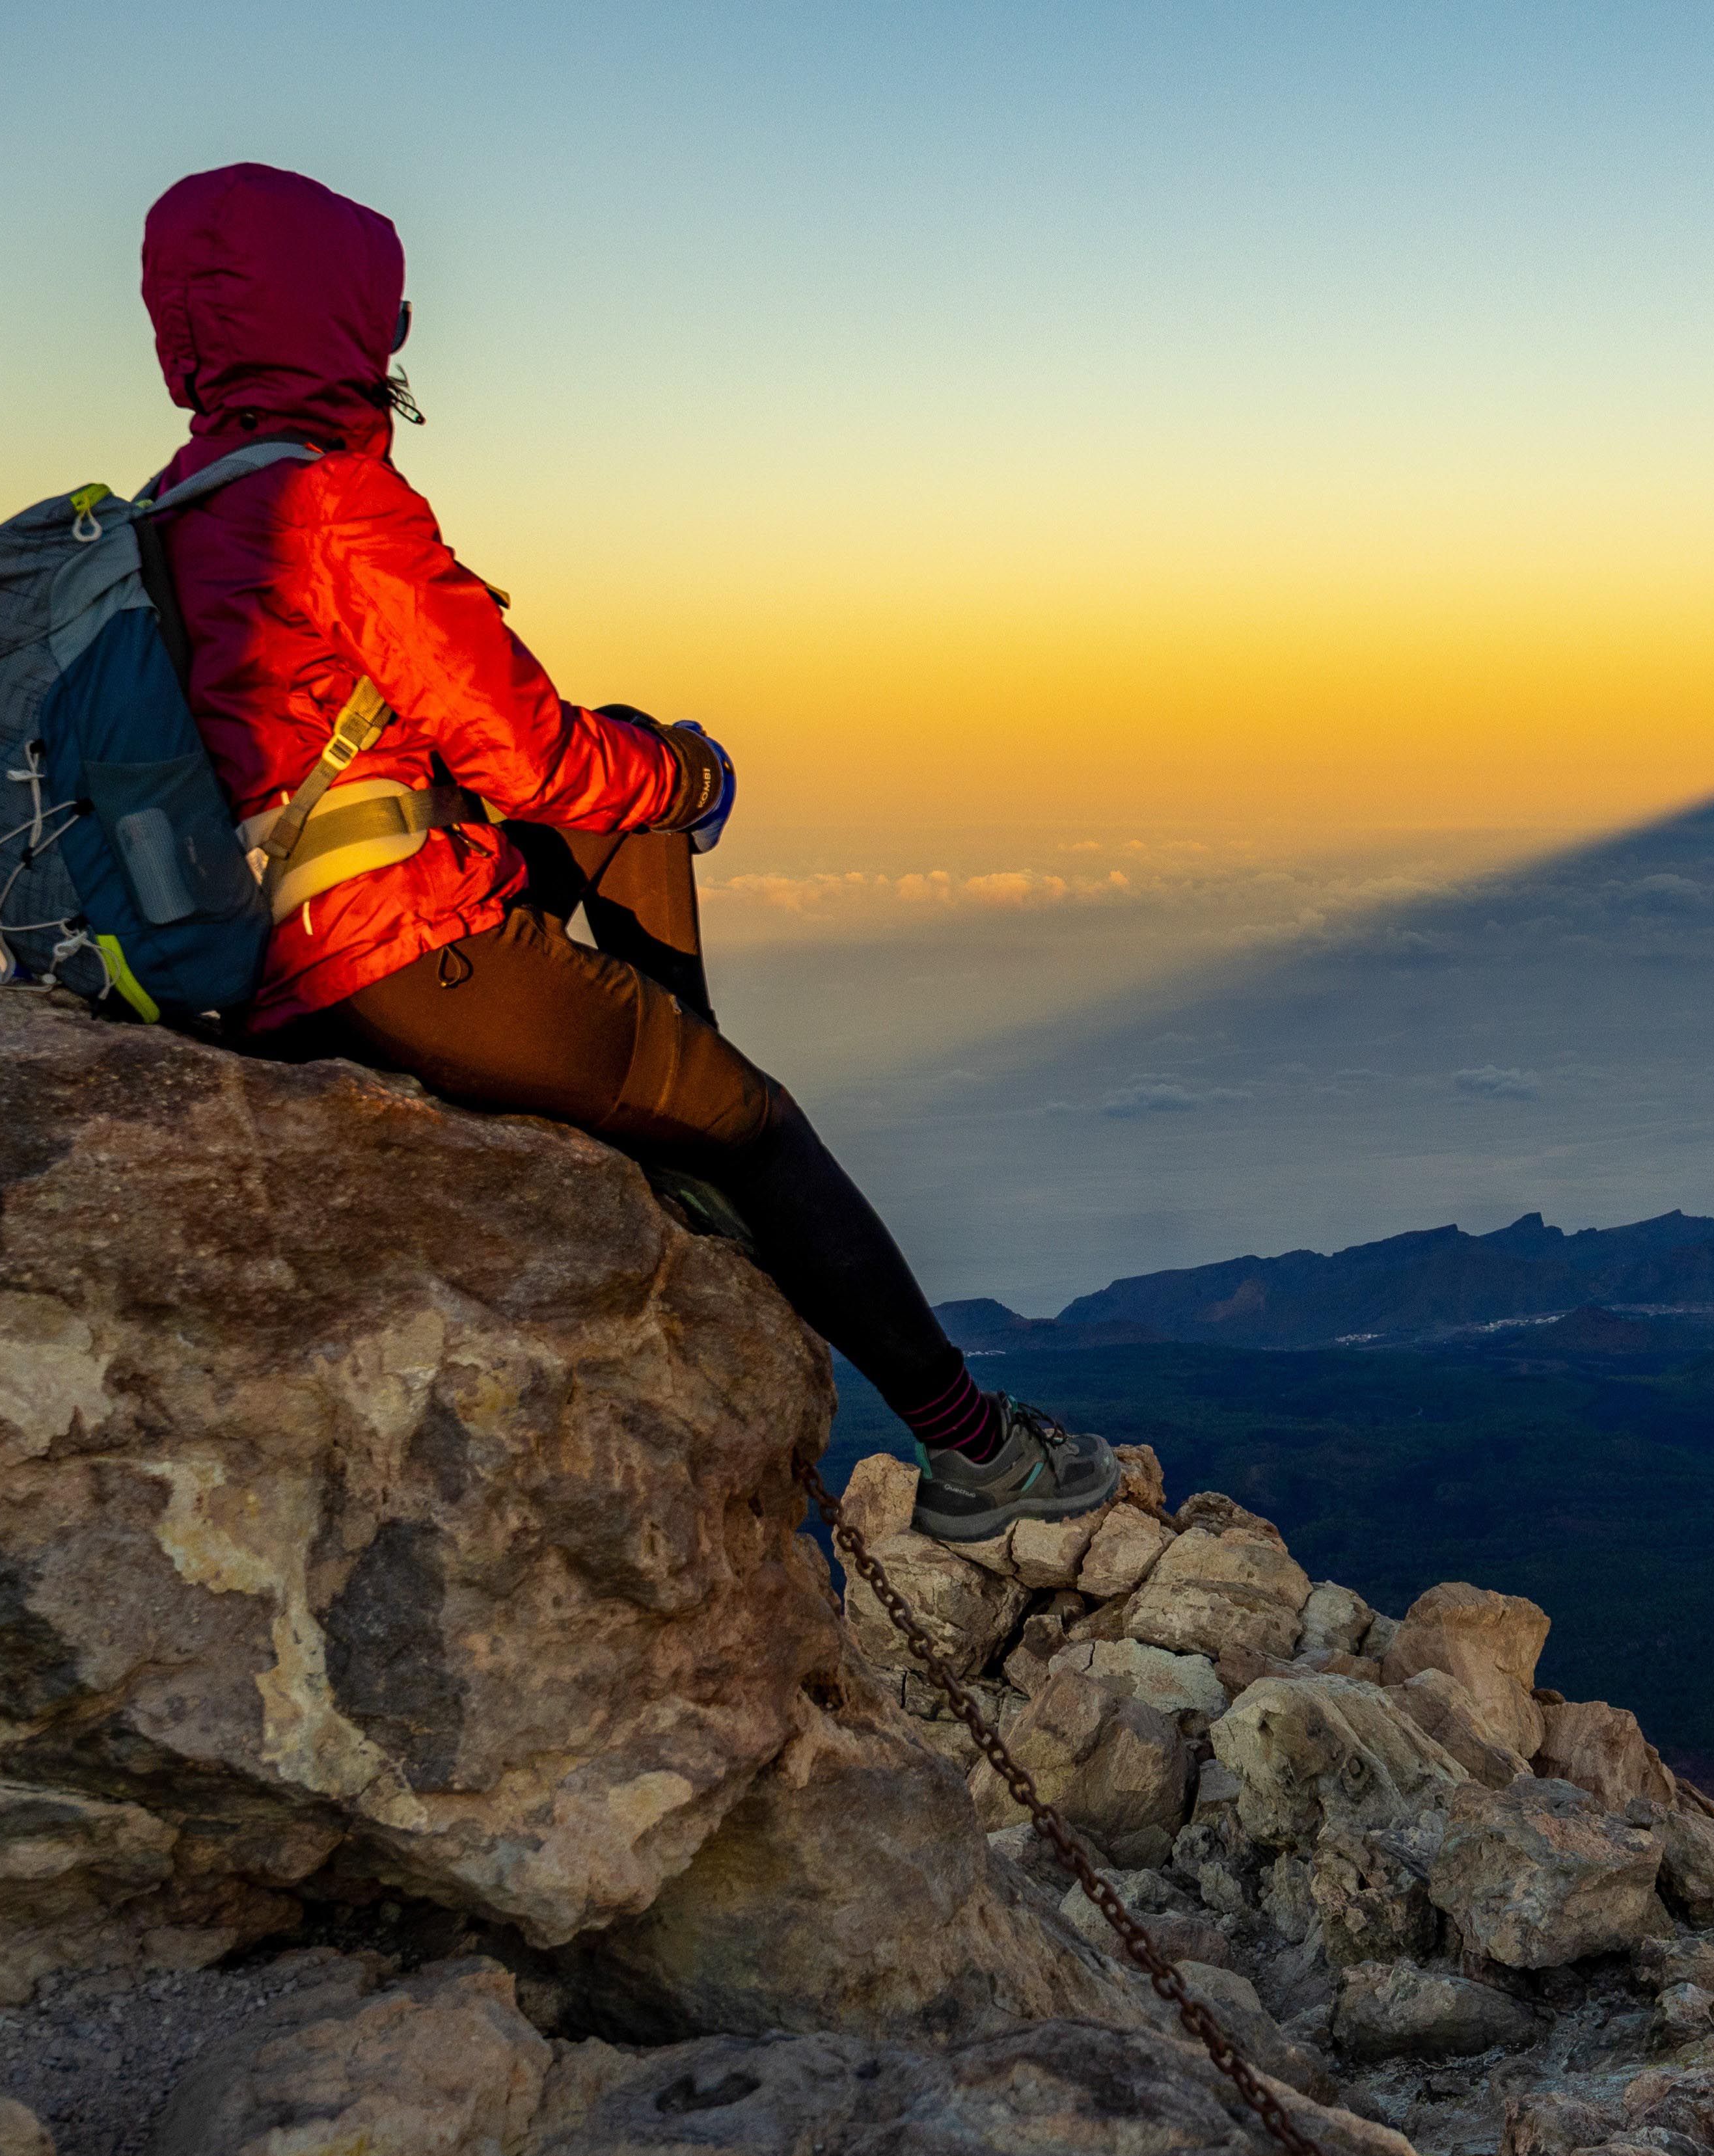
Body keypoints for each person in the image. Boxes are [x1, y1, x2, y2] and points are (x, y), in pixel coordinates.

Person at [135, 161, 1110, 1543]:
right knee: (761, 1125)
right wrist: (689, 771)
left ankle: (663, 1085)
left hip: (267, 954)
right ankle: (976, 1452)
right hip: (405, 959)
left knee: (631, 788)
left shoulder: (178, 504)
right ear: (334, 317)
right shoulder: (329, 505)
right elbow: (530, 758)